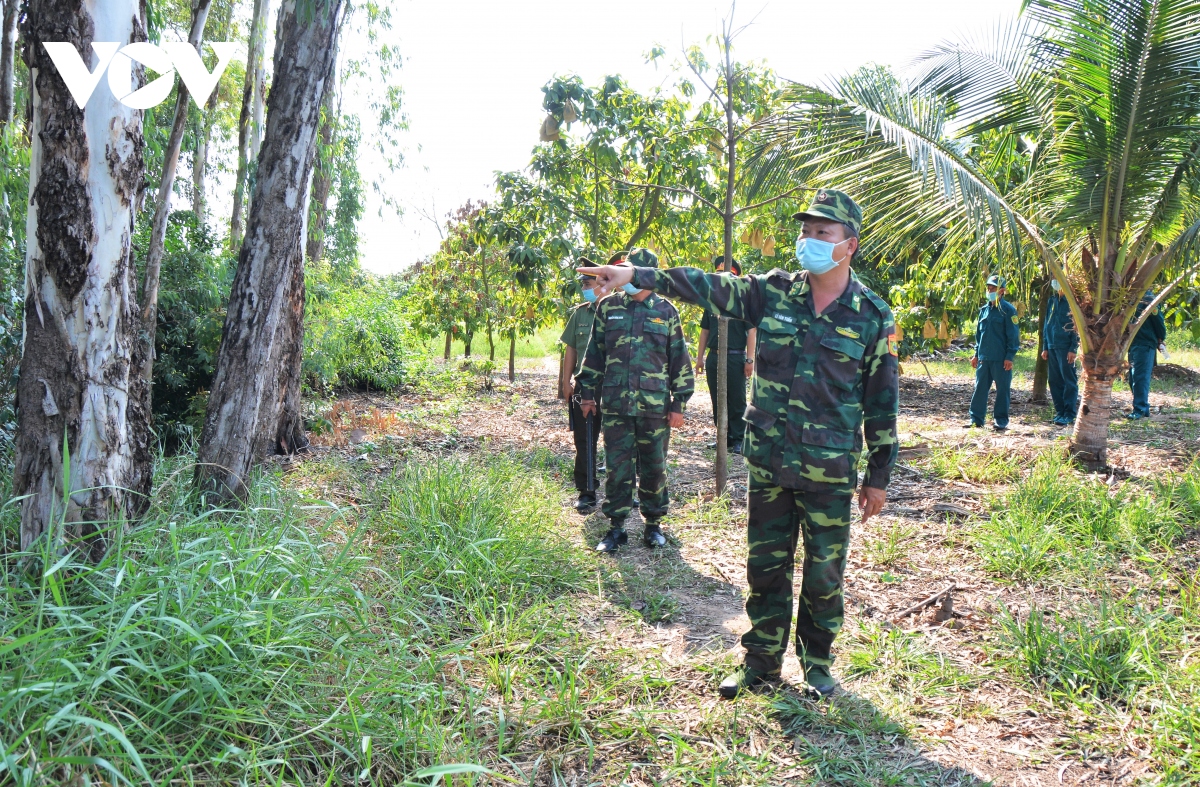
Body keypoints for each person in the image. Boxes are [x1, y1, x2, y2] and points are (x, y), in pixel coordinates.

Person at [579, 189, 898, 700]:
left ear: (849, 245)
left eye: (824, 232)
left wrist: (878, 476)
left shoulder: (872, 314)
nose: (810, 240)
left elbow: (882, 399)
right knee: (765, 568)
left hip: (829, 470)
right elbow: (708, 286)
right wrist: (639, 276)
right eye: (806, 230)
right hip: (770, 463)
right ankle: (761, 663)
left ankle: (817, 664)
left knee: (823, 573)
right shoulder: (770, 292)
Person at [576, 247, 694, 553]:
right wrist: (587, 393)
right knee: (617, 466)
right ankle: (616, 527)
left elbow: (679, 358)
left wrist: (679, 403)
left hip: (654, 406)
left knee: (654, 466)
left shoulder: (666, 311)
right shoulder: (608, 307)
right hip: (615, 404)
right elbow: (595, 353)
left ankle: (653, 524)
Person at [695, 256, 757, 455]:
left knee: (736, 399)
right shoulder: (711, 303)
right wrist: (699, 358)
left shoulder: (742, 304)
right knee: (717, 398)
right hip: (715, 357)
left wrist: (750, 360)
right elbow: (704, 331)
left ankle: (739, 438)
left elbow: (752, 332)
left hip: (735, 358)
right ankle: (724, 437)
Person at [560, 257, 603, 512]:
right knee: (585, 440)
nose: (584, 288)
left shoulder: (618, 311)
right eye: (583, 284)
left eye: (588, 283)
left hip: (614, 385)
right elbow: (571, 350)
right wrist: (566, 382)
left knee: (621, 441)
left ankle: (626, 490)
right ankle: (587, 491)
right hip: (584, 385)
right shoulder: (580, 313)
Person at [967, 274, 1020, 431]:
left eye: (994, 288)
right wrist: (976, 354)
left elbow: (1013, 336)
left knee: (1002, 390)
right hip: (984, 358)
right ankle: (976, 419)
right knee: (980, 389)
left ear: (1002, 290)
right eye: (989, 287)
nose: (990, 290)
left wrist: (1009, 356)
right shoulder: (984, 310)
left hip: (1000, 359)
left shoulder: (1008, 311)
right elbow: (979, 335)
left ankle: (1001, 420)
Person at [1041, 279, 1079, 426]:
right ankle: (1060, 412)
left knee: (1069, 380)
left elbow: (1077, 326)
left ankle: (1069, 413)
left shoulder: (1072, 301)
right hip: (1052, 346)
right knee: (1054, 381)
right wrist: (1045, 346)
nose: (1055, 282)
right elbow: (1047, 324)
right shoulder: (1052, 300)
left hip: (1065, 346)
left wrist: (1073, 348)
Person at [1127, 290, 1166, 420]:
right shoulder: (1129, 296)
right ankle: (1141, 407)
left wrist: (1160, 338)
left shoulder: (1148, 298)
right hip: (1132, 343)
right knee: (1133, 378)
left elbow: (1158, 321)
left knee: (1140, 377)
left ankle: (1141, 409)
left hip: (1145, 342)